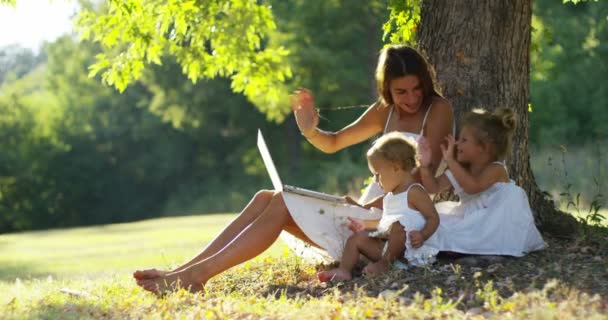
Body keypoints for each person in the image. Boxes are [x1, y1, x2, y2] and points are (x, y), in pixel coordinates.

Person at [133, 45, 454, 294]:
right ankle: (181, 271)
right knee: (264, 196)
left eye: (416, 89)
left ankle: (195, 277)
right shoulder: (384, 111)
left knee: (283, 203)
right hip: (366, 211)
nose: (411, 98)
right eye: (401, 92)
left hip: (387, 223)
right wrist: (309, 129)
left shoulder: (436, 110)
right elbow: (333, 142)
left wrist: (365, 207)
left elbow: (420, 183)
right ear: (387, 90)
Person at [418, 108, 546, 256]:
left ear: (484, 147)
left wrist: (451, 161)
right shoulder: (459, 169)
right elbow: (433, 187)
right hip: (469, 216)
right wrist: (425, 166)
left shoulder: (496, 169)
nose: (457, 144)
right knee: (432, 225)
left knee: (462, 235)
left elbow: (474, 187)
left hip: (496, 221)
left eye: (464, 140)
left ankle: (467, 248)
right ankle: (460, 247)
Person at [316, 133, 440, 283]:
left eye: (377, 174)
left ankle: (385, 264)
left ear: (396, 168)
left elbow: (434, 217)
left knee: (398, 225)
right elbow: (383, 222)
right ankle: (344, 270)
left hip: (410, 252)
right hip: (388, 250)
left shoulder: (414, 191)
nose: (375, 180)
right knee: (357, 238)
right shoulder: (389, 197)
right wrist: (362, 222)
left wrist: (423, 235)